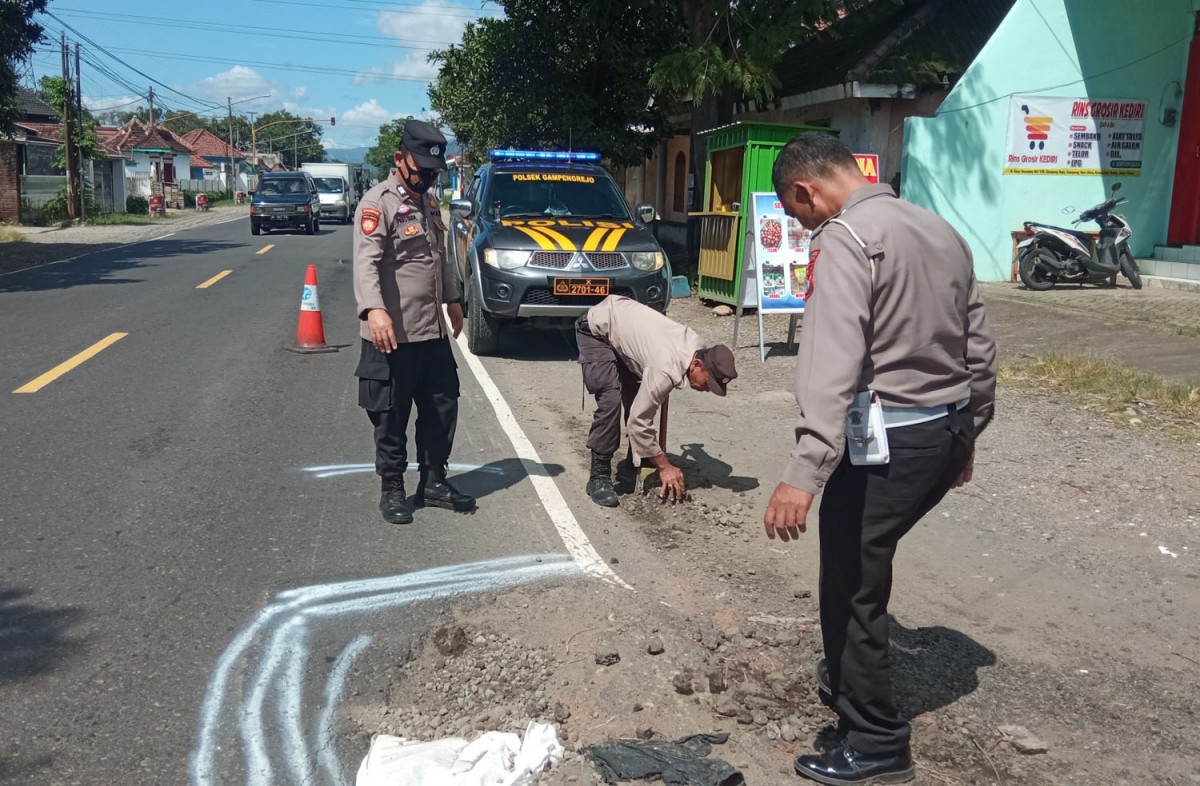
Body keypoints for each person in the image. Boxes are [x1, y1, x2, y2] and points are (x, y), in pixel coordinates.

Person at [762, 133, 996, 785]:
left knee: (852, 581)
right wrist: (969, 432)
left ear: (808, 190)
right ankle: (846, 676)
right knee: (861, 562)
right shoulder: (937, 228)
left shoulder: (846, 238)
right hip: (941, 432)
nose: (798, 224)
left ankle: (876, 740)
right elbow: (978, 342)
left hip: (892, 440)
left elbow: (830, 362)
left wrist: (802, 472)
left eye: (794, 211)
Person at [352, 119, 475, 526]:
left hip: (430, 331)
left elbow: (439, 258)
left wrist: (453, 299)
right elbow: (366, 263)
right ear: (399, 159)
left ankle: (434, 481)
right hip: (391, 334)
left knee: (443, 406)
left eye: (432, 172)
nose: (426, 178)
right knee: (391, 414)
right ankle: (392, 488)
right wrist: (374, 309)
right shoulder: (377, 203)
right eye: (421, 169)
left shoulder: (429, 204)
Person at [576, 295, 738, 507]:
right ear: (697, 364)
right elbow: (638, 420)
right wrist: (664, 466)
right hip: (597, 328)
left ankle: (633, 463)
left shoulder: (697, 347)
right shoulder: (665, 369)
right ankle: (599, 476)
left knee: (638, 397)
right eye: (709, 383)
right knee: (611, 400)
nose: (708, 390)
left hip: (624, 327)